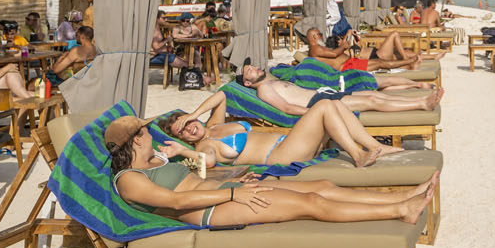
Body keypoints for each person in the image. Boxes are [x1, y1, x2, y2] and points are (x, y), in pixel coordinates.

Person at [105, 116, 434, 230]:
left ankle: (405, 195)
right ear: (136, 139)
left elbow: (196, 178)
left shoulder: (156, 161)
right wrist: (233, 193)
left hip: (221, 193)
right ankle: (400, 210)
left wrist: (231, 179)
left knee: (320, 184)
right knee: (309, 203)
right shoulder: (131, 180)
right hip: (208, 212)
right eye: (145, 130)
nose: (150, 132)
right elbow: (176, 202)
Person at [156, 90, 401, 167]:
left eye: (188, 124)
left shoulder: (213, 125)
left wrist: (193, 113)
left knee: (335, 103)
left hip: (291, 145)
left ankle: (374, 146)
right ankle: (358, 155)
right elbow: (207, 162)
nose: (189, 130)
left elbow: (221, 95)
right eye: (183, 132)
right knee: (325, 105)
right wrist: (182, 150)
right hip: (282, 155)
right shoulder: (205, 144)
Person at [238, 63, 441, 115]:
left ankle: (421, 99)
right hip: (318, 102)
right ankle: (422, 104)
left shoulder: (270, 81)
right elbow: (286, 108)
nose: (255, 68)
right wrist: (314, 112)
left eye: (252, 66)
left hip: (324, 94)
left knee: (372, 93)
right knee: (372, 102)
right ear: (248, 83)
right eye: (250, 71)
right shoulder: (264, 91)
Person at [304, 25, 418, 72]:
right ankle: (408, 61)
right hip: (347, 66)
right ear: (314, 37)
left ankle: (407, 63)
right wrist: (343, 46)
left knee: (380, 62)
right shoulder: (314, 49)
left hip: (350, 63)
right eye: (319, 34)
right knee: (380, 63)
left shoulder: (318, 48)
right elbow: (334, 55)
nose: (321, 36)